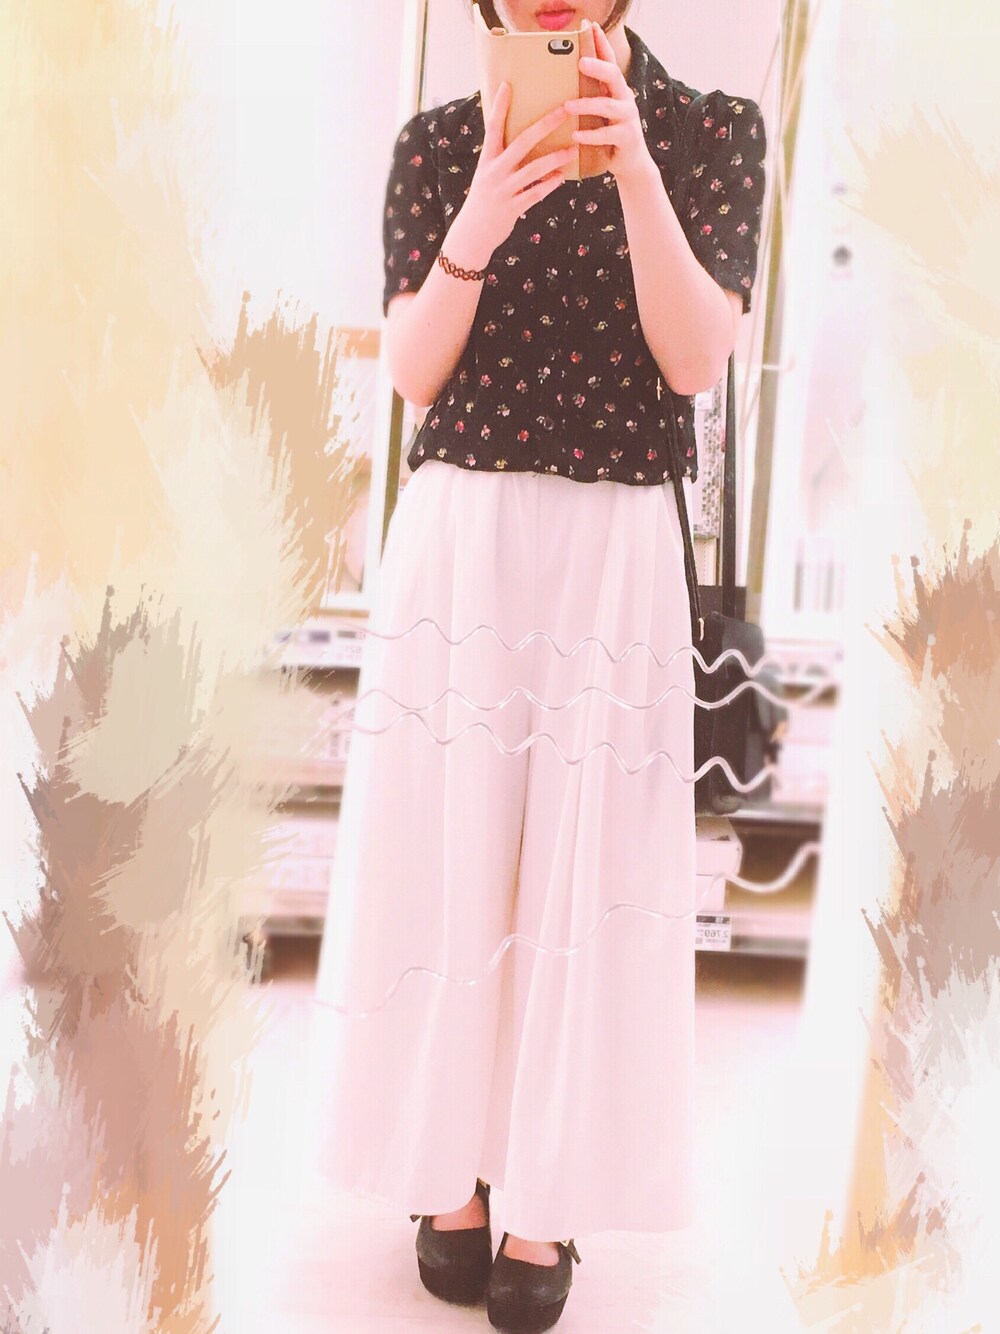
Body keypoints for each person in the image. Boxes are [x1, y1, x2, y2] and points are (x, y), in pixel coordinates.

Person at [313, 3, 766, 1330]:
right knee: (444, 855)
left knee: (593, 871)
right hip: (462, 537)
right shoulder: (437, 143)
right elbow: (413, 374)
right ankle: (442, 1171)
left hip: (616, 541)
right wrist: (478, 214)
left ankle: (547, 1198)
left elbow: (693, 356)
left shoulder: (711, 133)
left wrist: (635, 168)